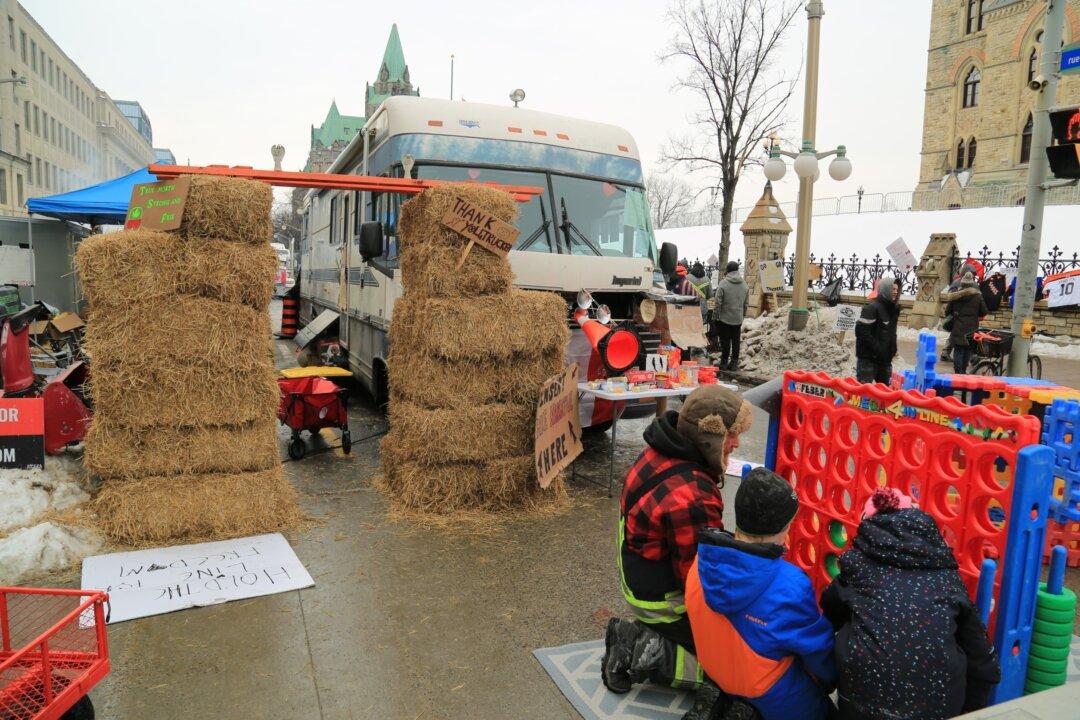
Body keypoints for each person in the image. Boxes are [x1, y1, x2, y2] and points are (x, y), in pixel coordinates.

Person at [603, 385, 753, 714]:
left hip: (638, 571)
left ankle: (639, 638)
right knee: (740, 666)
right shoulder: (692, 492)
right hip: (659, 599)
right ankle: (636, 647)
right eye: (732, 435)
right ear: (709, 438)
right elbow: (699, 583)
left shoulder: (663, 449)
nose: (738, 443)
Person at [821, 488, 1000, 720]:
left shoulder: (858, 569)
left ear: (869, 525)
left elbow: (829, 609)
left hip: (863, 707)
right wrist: (970, 709)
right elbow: (982, 659)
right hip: (939, 708)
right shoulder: (946, 575)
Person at [685, 468, 837, 720]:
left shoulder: (701, 562)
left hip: (716, 669)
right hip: (768, 692)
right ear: (781, 527)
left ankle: (733, 704)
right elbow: (818, 652)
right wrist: (830, 680)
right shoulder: (790, 586)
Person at [854, 276, 900, 384]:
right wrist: (878, 349)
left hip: (885, 361)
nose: (895, 292)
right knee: (865, 395)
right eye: (893, 289)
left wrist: (892, 349)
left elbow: (891, 333)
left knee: (884, 395)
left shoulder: (893, 309)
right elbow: (861, 332)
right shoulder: (872, 308)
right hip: (868, 360)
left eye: (897, 290)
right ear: (885, 289)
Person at [944, 271, 989, 374]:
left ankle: (958, 373)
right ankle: (963, 372)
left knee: (958, 350)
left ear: (962, 284)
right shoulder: (978, 297)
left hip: (957, 327)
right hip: (972, 329)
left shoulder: (955, 296)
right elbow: (984, 312)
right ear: (972, 284)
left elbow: (947, 312)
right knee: (967, 350)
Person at [714, 261, 749, 371]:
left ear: (727, 271)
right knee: (736, 341)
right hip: (737, 318)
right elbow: (746, 303)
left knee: (725, 341)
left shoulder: (723, 284)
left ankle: (724, 362)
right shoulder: (744, 285)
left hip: (724, 318)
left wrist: (716, 316)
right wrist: (742, 315)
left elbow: (718, 302)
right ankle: (734, 363)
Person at [941, 263, 976, 362]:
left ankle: (946, 352)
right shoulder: (958, 283)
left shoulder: (961, 282)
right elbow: (951, 298)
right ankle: (971, 356)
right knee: (966, 335)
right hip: (959, 314)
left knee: (956, 334)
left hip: (961, 314)